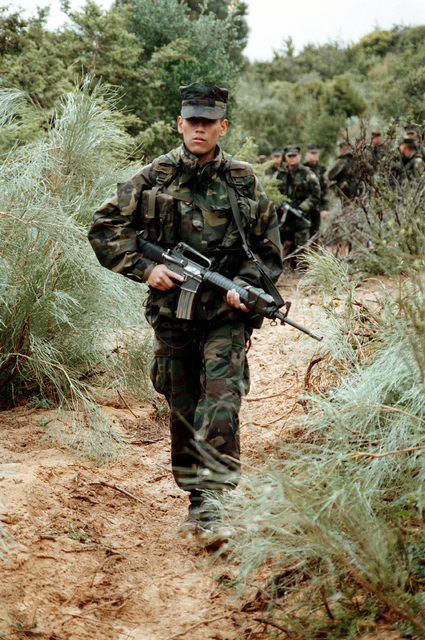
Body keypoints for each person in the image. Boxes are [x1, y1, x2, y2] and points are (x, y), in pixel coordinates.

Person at [88, 82, 283, 535]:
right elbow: (102, 229)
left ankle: (212, 502)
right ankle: (196, 492)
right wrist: (143, 268)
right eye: (191, 121)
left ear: (222, 127)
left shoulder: (242, 179)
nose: (199, 129)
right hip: (173, 313)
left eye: (208, 122)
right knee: (182, 404)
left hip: (226, 317)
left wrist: (247, 288)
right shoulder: (154, 177)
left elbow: (267, 250)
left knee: (221, 398)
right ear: (179, 124)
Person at [275, 144, 321, 259]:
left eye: (294, 156)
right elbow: (275, 193)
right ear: (285, 157)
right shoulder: (281, 174)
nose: (292, 158)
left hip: (301, 217)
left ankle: (302, 273)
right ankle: (287, 271)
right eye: (289, 156)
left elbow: (315, 194)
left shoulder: (307, 174)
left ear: (299, 157)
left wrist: (302, 207)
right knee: (284, 246)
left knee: (302, 249)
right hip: (285, 218)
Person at [303, 143, 329, 231]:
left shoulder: (321, 169)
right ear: (307, 154)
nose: (313, 155)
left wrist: (324, 208)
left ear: (318, 154)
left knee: (315, 231)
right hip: (304, 205)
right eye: (311, 153)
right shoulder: (302, 168)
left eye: (315, 153)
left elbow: (324, 189)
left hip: (317, 207)